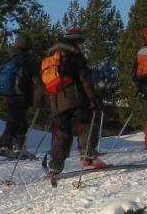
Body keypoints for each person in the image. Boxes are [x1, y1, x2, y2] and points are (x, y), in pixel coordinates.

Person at [34, 28, 103, 183]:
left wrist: (38, 103)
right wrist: (93, 97)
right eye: (81, 42)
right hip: (76, 98)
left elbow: (41, 83)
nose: (83, 45)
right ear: (76, 41)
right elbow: (84, 78)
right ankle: (88, 155)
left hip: (56, 103)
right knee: (87, 122)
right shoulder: (75, 56)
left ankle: (55, 166)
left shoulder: (51, 57)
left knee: (62, 132)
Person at [0, 33, 38, 157]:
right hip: (21, 94)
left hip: (9, 94)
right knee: (19, 122)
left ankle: (9, 146)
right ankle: (10, 147)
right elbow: (36, 76)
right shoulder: (26, 59)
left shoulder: (10, 57)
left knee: (13, 120)